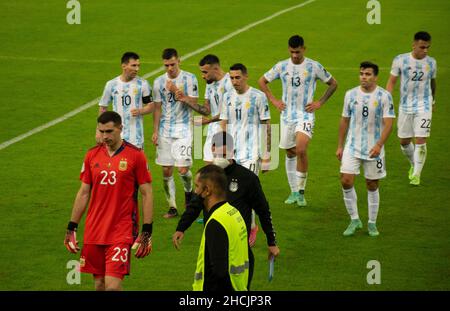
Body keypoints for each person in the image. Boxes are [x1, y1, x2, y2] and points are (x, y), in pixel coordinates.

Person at [173, 131, 280, 289]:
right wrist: (181, 227)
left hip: (239, 247)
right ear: (212, 149)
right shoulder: (208, 176)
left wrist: (271, 241)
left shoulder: (247, 179)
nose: (221, 156)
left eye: (225, 153)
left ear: (232, 151)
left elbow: (263, 210)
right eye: (218, 152)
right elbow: (195, 203)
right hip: (214, 242)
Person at [64, 111, 154, 291]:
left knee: (112, 287)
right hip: (94, 230)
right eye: (101, 131)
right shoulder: (91, 155)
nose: (105, 136)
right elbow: (83, 192)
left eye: (109, 131)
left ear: (120, 128)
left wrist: (147, 230)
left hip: (121, 230)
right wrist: (71, 226)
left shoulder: (135, 155)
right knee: (100, 285)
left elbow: (147, 193)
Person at [258, 35, 338, 207]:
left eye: (298, 51)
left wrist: (320, 102)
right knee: (290, 152)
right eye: (292, 52)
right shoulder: (281, 66)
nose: (295, 55)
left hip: (305, 114)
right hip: (286, 116)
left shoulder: (313, 66)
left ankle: (301, 192)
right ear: (289, 50)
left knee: (301, 148)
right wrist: (274, 100)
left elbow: (333, 83)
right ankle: (294, 191)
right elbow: (262, 81)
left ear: (304, 49)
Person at [336, 62, 395, 237]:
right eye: (361, 73)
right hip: (352, 146)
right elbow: (344, 120)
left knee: (372, 184)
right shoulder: (351, 94)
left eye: (368, 74)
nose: (364, 77)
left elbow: (389, 123)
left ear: (376, 77)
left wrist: (379, 145)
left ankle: (372, 222)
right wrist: (340, 145)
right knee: (346, 181)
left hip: (373, 149)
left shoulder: (384, 96)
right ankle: (354, 219)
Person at [151, 48, 207, 218]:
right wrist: (155, 131)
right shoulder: (158, 82)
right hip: (164, 131)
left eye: (172, 64)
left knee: (183, 170)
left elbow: (194, 102)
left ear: (179, 61)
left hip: (183, 129)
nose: (169, 68)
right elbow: (157, 108)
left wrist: (176, 90)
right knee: (166, 171)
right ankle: (172, 207)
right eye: (166, 65)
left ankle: (189, 193)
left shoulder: (190, 79)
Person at [220, 63, 271, 245]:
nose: (234, 81)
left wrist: (266, 155)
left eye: (238, 77)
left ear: (246, 76)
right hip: (232, 153)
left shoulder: (258, 97)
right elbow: (223, 123)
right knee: (230, 193)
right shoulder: (227, 97)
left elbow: (266, 125)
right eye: (232, 78)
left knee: (244, 192)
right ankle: (242, 225)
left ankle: (250, 228)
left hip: (252, 152)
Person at [386, 31, 437, 186]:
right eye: (422, 47)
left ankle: (416, 175)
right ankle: (414, 164)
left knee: (421, 139)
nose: (425, 50)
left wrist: (433, 101)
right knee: (404, 141)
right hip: (405, 106)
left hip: (424, 105)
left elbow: (433, 82)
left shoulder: (431, 62)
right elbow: (391, 82)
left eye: (428, 47)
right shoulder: (400, 60)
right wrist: (387, 101)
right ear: (414, 45)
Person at [191, 164, 249, 291]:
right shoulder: (234, 212)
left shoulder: (216, 222)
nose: (195, 191)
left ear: (207, 190)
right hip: (239, 286)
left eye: (197, 186)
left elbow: (220, 272)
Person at [97, 52, 154, 149]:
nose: (137, 69)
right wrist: (99, 131)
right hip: (116, 136)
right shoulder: (112, 84)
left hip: (136, 138)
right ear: (124, 66)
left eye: (138, 66)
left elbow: (151, 106)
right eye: (133, 65)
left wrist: (141, 111)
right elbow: (103, 108)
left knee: (138, 164)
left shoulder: (142, 84)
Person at [198, 54, 233, 164]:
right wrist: (185, 99)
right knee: (208, 167)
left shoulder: (230, 83)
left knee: (223, 169)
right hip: (212, 129)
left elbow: (228, 112)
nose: (203, 76)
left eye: (205, 72)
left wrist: (208, 120)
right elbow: (207, 110)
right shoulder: (209, 83)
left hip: (227, 129)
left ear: (216, 69)